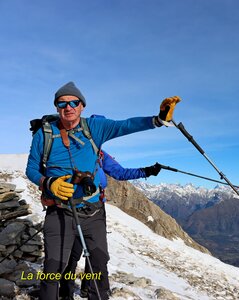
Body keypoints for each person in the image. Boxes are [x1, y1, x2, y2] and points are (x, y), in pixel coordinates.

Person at [26, 81, 180, 300]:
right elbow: (31, 169)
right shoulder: (44, 134)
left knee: (98, 265)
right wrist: (47, 182)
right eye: (62, 103)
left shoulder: (94, 129)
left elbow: (125, 125)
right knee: (53, 269)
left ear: (82, 106)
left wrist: (157, 120)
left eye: (74, 102)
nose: (68, 107)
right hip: (59, 211)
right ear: (57, 107)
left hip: (93, 212)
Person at [59, 148, 161, 299]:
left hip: (96, 211)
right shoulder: (65, 150)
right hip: (72, 209)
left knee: (96, 255)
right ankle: (66, 293)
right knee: (73, 254)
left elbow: (120, 172)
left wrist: (147, 171)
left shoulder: (99, 152)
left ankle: (88, 290)